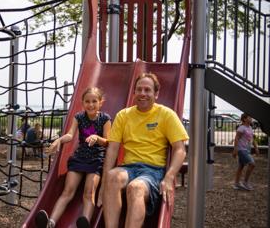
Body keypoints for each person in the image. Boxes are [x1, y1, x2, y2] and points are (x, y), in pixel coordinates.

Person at [100, 72, 189, 228]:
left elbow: (180, 149)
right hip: (128, 168)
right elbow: (112, 150)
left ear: (156, 94)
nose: (142, 93)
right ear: (134, 92)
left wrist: (169, 177)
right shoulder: (123, 115)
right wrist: (104, 183)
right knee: (112, 177)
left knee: (136, 188)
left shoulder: (166, 114)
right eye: (139, 89)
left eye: (147, 90)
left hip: (153, 171)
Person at [35, 87, 111, 228]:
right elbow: (70, 134)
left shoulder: (105, 119)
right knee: (67, 191)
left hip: (96, 159)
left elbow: (108, 141)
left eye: (94, 101)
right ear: (82, 103)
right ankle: (50, 223)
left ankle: (85, 223)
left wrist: (96, 137)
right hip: (80, 157)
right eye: (87, 101)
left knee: (89, 193)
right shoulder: (79, 117)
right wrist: (59, 140)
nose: (90, 104)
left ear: (101, 102)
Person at [232, 113, 259, 191]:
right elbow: (236, 138)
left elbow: (252, 139)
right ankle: (245, 182)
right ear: (244, 119)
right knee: (252, 164)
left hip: (247, 149)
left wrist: (256, 148)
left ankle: (236, 184)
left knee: (241, 166)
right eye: (249, 117)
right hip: (241, 149)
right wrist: (235, 150)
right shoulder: (241, 128)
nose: (251, 119)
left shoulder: (250, 127)